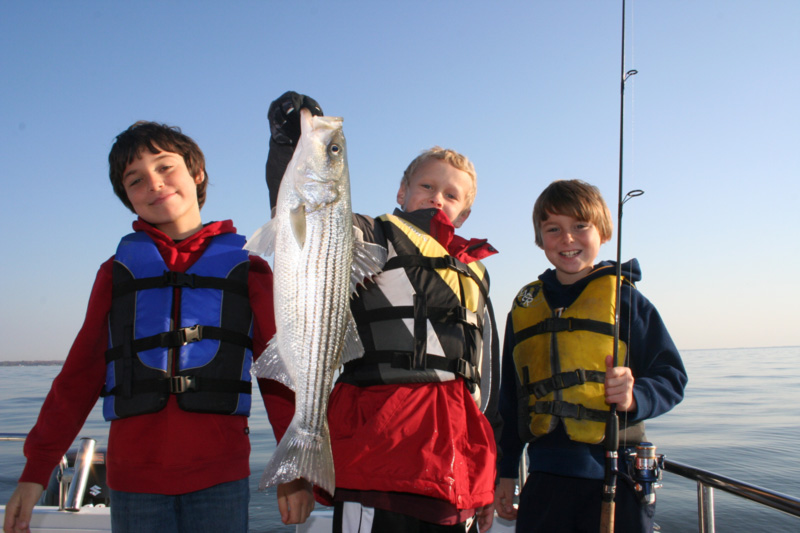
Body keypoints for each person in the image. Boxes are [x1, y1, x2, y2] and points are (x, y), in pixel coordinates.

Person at [3, 121, 315, 533]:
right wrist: (36, 469)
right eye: (136, 180)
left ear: (196, 174)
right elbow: (78, 378)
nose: (154, 183)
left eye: (165, 167)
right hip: (134, 480)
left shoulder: (249, 267)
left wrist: (295, 469)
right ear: (128, 198)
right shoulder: (115, 273)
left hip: (221, 477)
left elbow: (282, 378)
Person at [265, 91, 502, 533]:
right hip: (380, 458)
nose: (437, 199)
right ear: (402, 191)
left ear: (465, 213)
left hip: (456, 469)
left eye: (451, 195)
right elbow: (306, 217)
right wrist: (289, 144)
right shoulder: (370, 235)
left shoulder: (474, 272)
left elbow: (488, 381)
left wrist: (485, 478)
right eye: (426, 186)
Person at [493, 179, 688, 532]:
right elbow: (510, 400)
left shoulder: (627, 302)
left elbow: (671, 377)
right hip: (544, 480)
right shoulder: (523, 307)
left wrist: (635, 396)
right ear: (540, 239)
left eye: (580, 226)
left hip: (617, 477)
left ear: (603, 231)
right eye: (553, 229)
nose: (567, 239)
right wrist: (505, 471)